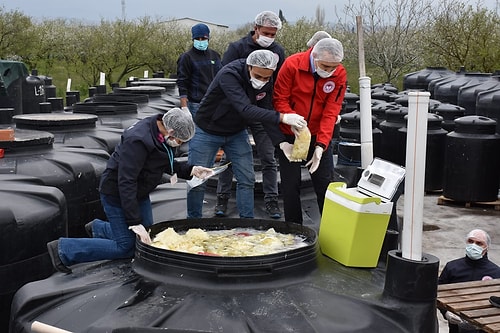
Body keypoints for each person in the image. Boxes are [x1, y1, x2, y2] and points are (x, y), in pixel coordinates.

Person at [46, 108, 213, 273]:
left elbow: (163, 161)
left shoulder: (160, 133)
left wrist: (191, 170)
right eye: (180, 140)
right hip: (117, 193)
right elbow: (126, 181)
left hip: (139, 191)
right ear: (171, 130)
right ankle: (64, 249)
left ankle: (99, 229)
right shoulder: (138, 140)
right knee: (126, 247)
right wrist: (134, 222)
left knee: (147, 236)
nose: (180, 144)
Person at [187, 49, 306, 219]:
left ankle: (247, 223)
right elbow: (245, 109)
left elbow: (265, 111)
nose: (262, 81)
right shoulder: (229, 74)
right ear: (249, 67)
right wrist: (283, 117)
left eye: (267, 78)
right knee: (197, 178)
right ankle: (193, 221)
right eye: (258, 76)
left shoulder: (268, 81)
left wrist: (280, 142)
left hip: (236, 131)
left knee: (247, 179)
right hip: (208, 129)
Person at [215, 10, 286, 219]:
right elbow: (223, 81)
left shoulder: (278, 52)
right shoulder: (237, 48)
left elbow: (279, 83)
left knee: (268, 157)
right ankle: (222, 198)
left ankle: (272, 200)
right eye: (266, 32)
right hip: (236, 113)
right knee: (228, 158)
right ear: (256, 29)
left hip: (262, 111)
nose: (269, 38)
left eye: (273, 34)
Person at [272, 38, 347, 224]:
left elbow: (331, 111)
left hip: (317, 134)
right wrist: (291, 119)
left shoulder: (339, 74)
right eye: (325, 66)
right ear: (315, 56)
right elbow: (279, 98)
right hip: (291, 134)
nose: (329, 71)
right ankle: (294, 229)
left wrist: (321, 145)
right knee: (291, 186)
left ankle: (332, 229)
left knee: (325, 185)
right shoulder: (292, 65)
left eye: (333, 67)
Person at [438, 229, 500, 333]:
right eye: (470, 241)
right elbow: (437, 292)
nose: (474, 245)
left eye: (479, 243)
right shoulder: (452, 267)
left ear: (487, 247)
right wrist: (446, 312)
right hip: (456, 327)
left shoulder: (496, 272)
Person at [176, 23, 222, 117]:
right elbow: (182, 82)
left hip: (214, 102)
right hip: (196, 104)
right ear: (193, 39)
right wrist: (184, 106)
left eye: (203, 38)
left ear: (208, 38)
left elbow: (221, 77)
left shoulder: (215, 55)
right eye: (198, 39)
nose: (201, 41)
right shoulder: (187, 57)